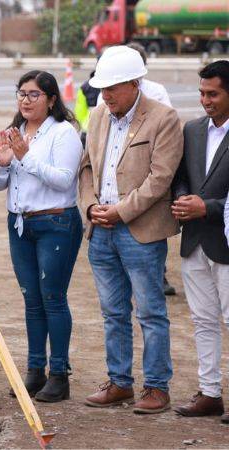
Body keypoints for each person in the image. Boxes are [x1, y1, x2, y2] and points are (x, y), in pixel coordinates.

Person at [79, 45, 183, 414]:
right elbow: (87, 167)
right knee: (113, 312)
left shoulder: (164, 118)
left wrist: (121, 212)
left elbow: (161, 178)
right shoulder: (98, 115)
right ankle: (120, 382)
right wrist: (90, 207)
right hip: (100, 230)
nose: (105, 96)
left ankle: (157, 387)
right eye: (102, 89)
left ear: (136, 83)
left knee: (151, 313)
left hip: (140, 232)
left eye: (112, 89)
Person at [0, 70, 83, 403]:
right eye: (21, 94)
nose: (25, 101)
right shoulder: (15, 133)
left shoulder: (63, 134)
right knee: (31, 300)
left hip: (55, 222)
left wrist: (25, 157)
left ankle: (59, 374)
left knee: (52, 298)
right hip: (20, 225)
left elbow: (62, 179)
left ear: (52, 99)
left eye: (33, 95)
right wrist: (2, 164)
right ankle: (34, 370)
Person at [171, 60, 229, 422]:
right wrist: (181, 200)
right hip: (194, 242)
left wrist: (205, 206)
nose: (205, 100)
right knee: (203, 321)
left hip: (225, 241)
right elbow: (180, 177)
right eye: (202, 93)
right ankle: (210, 393)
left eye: (214, 94)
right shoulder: (191, 130)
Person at [73, 70, 98, 145]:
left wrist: (83, 123)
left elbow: (80, 110)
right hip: (105, 130)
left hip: (87, 128)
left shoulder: (85, 86)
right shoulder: (113, 83)